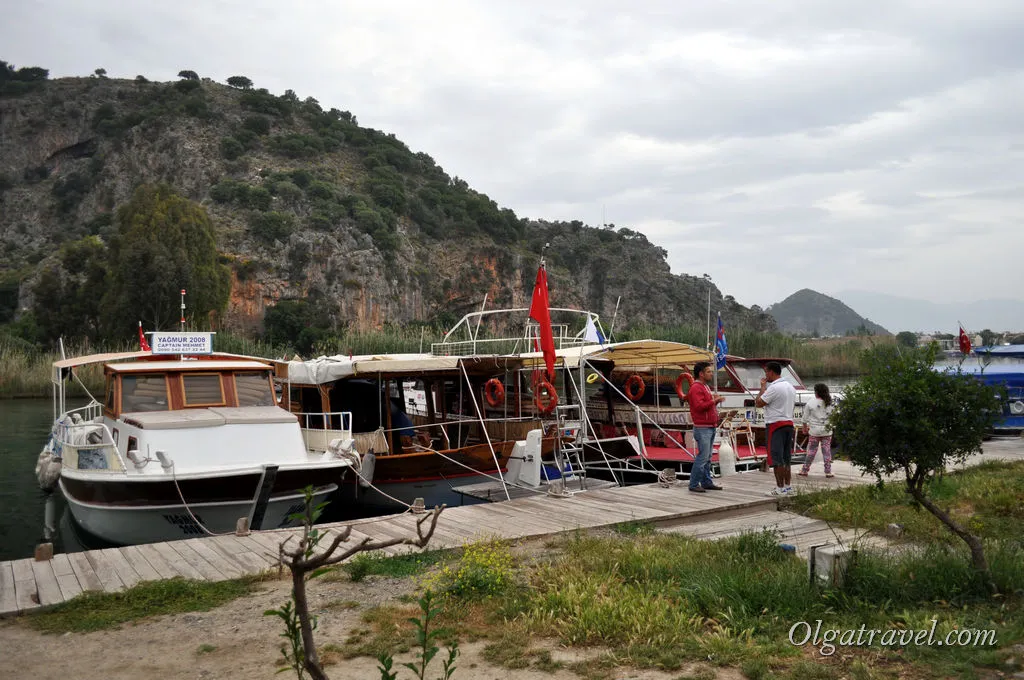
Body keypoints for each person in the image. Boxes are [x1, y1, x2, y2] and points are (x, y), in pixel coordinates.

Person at [756, 361, 797, 496]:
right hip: (789, 423)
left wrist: (762, 387)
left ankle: (780, 488)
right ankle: (788, 486)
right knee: (786, 458)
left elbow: (759, 403)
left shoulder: (773, 388)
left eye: (766, 372)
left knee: (776, 458)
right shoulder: (790, 387)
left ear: (771, 372)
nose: (765, 375)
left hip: (775, 425)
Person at [686, 361, 725, 492]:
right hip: (703, 427)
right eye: (708, 371)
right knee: (703, 457)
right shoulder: (697, 387)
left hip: (709, 426)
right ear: (701, 374)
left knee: (707, 457)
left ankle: (706, 481)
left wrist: (713, 400)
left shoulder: (704, 387)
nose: (711, 374)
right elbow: (699, 407)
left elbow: (705, 405)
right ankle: (693, 484)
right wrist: (714, 401)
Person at [797, 383, 834, 478]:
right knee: (826, 451)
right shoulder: (830, 402)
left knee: (811, 451)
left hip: (814, 432)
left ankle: (805, 470)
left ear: (816, 392)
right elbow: (834, 417)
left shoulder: (810, 403)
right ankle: (828, 471)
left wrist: (804, 429)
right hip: (827, 431)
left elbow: (804, 419)